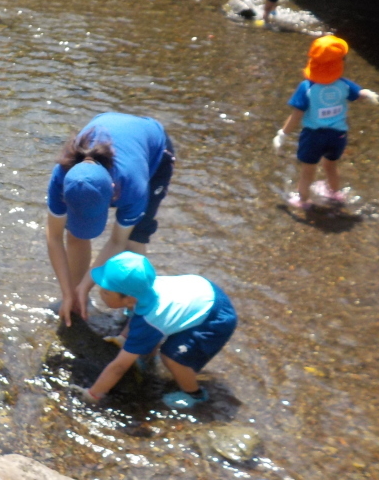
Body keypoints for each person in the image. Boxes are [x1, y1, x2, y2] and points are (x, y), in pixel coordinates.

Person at [46, 113, 175, 327]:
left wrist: (88, 283)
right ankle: (79, 302)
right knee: (75, 234)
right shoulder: (62, 177)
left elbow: (118, 241)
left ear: (113, 193)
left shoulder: (133, 185)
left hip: (155, 151)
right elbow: (54, 237)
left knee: (134, 240)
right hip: (111, 130)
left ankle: (136, 312)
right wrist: (68, 292)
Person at [71, 252, 237, 410]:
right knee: (152, 331)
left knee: (172, 358)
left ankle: (195, 395)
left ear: (129, 299)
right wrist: (123, 339)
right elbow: (136, 317)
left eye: (106, 292)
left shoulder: (149, 319)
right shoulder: (142, 289)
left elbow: (119, 367)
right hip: (202, 291)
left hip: (214, 319)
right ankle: (147, 357)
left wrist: (93, 394)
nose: (100, 294)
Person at [273, 35, 379, 211]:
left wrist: (282, 134)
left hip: (313, 136)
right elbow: (359, 94)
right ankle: (334, 193)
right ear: (340, 63)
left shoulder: (306, 87)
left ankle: (303, 200)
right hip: (338, 136)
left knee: (308, 171)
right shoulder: (344, 85)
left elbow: (296, 116)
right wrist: (368, 94)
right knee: (331, 165)